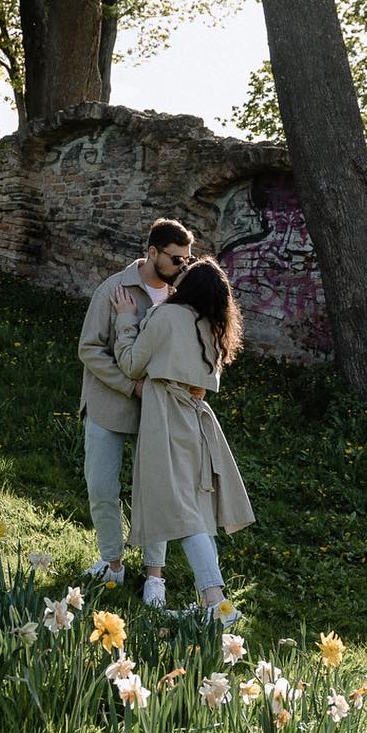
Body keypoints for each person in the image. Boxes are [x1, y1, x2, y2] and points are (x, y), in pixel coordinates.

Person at [111, 256, 253, 620]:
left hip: (167, 419)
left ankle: (217, 604)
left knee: (186, 516)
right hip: (197, 420)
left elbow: (130, 364)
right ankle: (213, 603)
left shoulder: (167, 317)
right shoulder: (212, 328)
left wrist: (127, 320)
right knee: (197, 514)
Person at [76, 218, 195, 607]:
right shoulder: (113, 289)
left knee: (154, 494)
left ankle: (154, 575)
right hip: (109, 404)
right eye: (176, 258)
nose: (182, 265)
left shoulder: (183, 296)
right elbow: (90, 349)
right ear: (152, 253)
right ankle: (112, 563)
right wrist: (132, 386)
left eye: (187, 259)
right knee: (102, 488)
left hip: (159, 411)